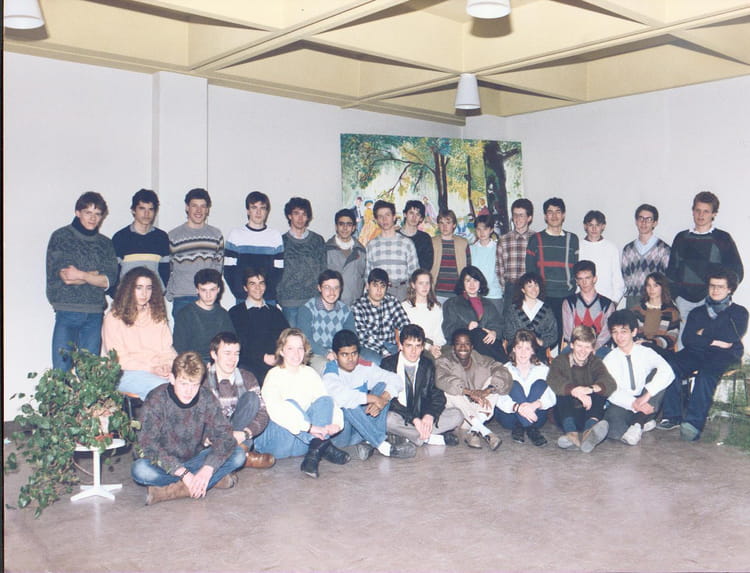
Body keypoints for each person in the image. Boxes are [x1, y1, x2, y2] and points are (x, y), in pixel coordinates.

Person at [131, 351, 245, 505]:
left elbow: (224, 436)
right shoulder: (156, 399)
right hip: (164, 463)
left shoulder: (206, 397)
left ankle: (173, 490)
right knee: (140, 470)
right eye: (183, 383)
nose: (189, 391)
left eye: (194, 385)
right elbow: (148, 445)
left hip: (194, 459)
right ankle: (210, 482)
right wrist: (184, 473)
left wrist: (207, 469)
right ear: (172, 379)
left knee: (238, 455)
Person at [658, 269, 748, 441]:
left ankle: (693, 424)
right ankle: (672, 416)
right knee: (670, 365)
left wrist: (703, 333)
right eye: (712, 286)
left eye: (720, 287)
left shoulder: (739, 312)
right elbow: (688, 339)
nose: (715, 290)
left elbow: (730, 337)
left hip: (725, 354)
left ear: (730, 289)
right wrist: (713, 340)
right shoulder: (697, 312)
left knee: (706, 375)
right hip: (696, 352)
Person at [253, 329, 349, 479]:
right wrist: (309, 428)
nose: (296, 353)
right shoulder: (274, 375)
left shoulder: (309, 373)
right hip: (277, 444)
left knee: (325, 400)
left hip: (301, 445)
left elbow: (326, 399)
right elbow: (276, 411)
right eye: (290, 348)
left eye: (300, 348)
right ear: (282, 351)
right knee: (290, 404)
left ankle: (314, 452)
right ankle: (322, 445)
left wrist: (336, 423)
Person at [46, 191, 118, 371]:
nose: (93, 218)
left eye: (97, 214)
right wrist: (95, 275)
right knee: (61, 371)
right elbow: (67, 277)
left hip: (94, 313)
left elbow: (109, 281)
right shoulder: (61, 237)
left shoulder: (105, 244)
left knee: (89, 373)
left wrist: (81, 274)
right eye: (88, 212)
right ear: (77, 212)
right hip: (67, 310)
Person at [323, 330, 416, 460]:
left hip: (362, 430)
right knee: (348, 403)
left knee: (383, 386)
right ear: (335, 355)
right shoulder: (330, 371)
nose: (350, 359)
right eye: (344, 354)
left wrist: (383, 398)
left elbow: (396, 379)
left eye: (354, 353)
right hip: (341, 435)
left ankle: (369, 443)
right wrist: (373, 398)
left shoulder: (363, 366)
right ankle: (383, 446)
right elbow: (341, 397)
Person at [666, 191, 743, 348]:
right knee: (684, 343)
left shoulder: (722, 238)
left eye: (706, 211)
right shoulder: (681, 238)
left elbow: (736, 271)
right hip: (684, 301)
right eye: (698, 210)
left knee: (709, 343)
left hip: (711, 301)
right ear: (693, 211)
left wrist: (720, 293)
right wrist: (677, 296)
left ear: (714, 214)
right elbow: (672, 270)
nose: (701, 215)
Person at [102, 267, 177, 400]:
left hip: (157, 370)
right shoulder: (114, 318)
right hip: (125, 373)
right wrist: (151, 368)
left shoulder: (157, 314)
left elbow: (167, 349)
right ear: (128, 289)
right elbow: (118, 359)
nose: (144, 293)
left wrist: (168, 365)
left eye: (149, 288)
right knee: (163, 389)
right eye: (139, 288)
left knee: (186, 384)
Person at [380, 325, 462, 446]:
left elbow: (438, 395)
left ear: (422, 347)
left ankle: (409, 436)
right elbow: (388, 400)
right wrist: (413, 419)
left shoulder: (427, 365)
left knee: (457, 415)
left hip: (421, 415)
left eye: (418, 346)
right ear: (401, 346)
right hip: (401, 415)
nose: (414, 351)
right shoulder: (388, 364)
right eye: (409, 346)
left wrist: (430, 415)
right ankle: (429, 438)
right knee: (387, 419)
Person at [602, 310, 674, 445]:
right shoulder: (609, 359)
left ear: (634, 332)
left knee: (658, 376)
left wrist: (646, 395)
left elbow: (668, 371)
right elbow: (610, 390)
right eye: (615, 332)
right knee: (614, 432)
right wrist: (633, 403)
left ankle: (637, 424)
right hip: (625, 402)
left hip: (647, 399)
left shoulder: (645, 352)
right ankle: (643, 422)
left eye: (623, 331)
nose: (619, 337)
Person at [205, 332, 275, 469]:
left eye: (236, 354)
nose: (232, 359)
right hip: (215, 437)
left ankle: (232, 458)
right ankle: (242, 457)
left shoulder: (247, 377)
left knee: (252, 399)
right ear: (214, 354)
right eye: (227, 353)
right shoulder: (203, 380)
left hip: (240, 432)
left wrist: (245, 434)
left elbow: (263, 413)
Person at [435, 329, 511, 451]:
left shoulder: (483, 360)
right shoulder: (444, 361)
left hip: (477, 412)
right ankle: (485, 432)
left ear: (472, 346)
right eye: (458, 344)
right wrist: (470, 393)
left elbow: (503, 372)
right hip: (459, 416)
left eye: (467, 344)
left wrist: (486, 391)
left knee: (496, 383)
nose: (463, 347)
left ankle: (474, 430)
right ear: (453, 347)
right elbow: (442, 379)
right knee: (449, 389)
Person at [547, 325, 616, 453]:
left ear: (592, 349)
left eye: (587, 347)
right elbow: (553, 379)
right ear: (571, 345)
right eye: (579, 346)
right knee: (563, 390)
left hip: (588, 414)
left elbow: (610, 383)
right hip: (564, 414)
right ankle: (571, 434)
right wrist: (576, 391)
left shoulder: (595, 362)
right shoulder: (560, 361)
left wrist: (589, 389)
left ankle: (589, 432)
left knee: (601, 389)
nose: (583, 351)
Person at [525, 197, 579, 344]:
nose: (554, 216)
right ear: (545, 216)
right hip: (543, 297)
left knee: (565, 336)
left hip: (567, 296)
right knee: (541, 338)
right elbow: (530, 272)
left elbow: (576, 268)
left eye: (558, 212)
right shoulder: (535, 239)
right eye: (550, 212)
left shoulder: (572, 239)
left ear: (563, 215)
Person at [166, 188, 224, 319]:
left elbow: (218, 268)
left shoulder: (216, 235)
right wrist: (171, 293)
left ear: (207, 210)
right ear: (187, 207)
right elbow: (168, 268)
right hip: (183, 298)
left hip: (209, 298)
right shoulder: (173, 236)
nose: (199, 210)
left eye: (203, 206)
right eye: (194, 206)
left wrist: (212, 293)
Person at [495, 329, 556, 447]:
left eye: (527, 348)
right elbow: (498, 398)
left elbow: (552, 396)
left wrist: (534, 405)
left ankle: (522, 426)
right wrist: (518, 408)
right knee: (514, 385)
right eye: (519, 348)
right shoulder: (505, 369)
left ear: (533, 350)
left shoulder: (543, 369)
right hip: (511, 417)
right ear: (513, 349)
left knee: (540, 383)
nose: (523, 353)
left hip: (535, 414)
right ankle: (530, 429)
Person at [228, 266, 289, 384]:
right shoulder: (235, 313)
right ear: (245, 287)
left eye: (261, 283)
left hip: (276, 361)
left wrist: (278, 356)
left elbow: (286, 337)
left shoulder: (275, 312)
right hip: (249, 364)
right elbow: (239, 344)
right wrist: (263, 356)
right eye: (252, 284)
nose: (258, 288)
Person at [224, 191, 284, 305]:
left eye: (262, 208)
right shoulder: (235, 235)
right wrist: (241, 294)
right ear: (248, 210)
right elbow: (228, 270)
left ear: (267, 211)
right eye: (254, 207)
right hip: (243, 299)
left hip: (268, 299)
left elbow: (279, 271)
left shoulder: (275, 236)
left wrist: (267, 294)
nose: (258, 212)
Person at [277, 197, 327, 327]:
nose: (300, 218)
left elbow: (324, 270)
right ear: (289, 216)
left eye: (304, 214)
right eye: (296, 213)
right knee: (292, 338)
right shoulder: (281, 242)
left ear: (308, 217)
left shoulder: (317, 240)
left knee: (312, 338)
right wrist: (280, 297)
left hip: (313, 301)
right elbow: (275, 273)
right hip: (289, 302)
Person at [442, 266, 507, 363]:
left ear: (480, 283)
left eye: (475, 280)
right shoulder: (452, 304)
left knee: (483, 335)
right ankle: (506, 364)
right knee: (477, 332)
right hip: (464, 346)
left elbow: (499, 324)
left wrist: (494, 332)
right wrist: (466, 327)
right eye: (468, 280)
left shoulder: (489, 304)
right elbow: (448, 330)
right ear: (462, 283)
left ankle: (504, 364)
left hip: (488, 346)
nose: (472, 284)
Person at [111, 188, 170, 290]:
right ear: (133, 210)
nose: (146, 214)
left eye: (150, 209)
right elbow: (114, 272)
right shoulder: (120, 237)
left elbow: (165, 271)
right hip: (127, 296)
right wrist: (118, 294)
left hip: (153, 296)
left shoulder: (161, 237)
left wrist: (159, 291)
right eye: (142, 209)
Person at [298, 269, 356, 372]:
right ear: (319, 288)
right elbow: (306, 340)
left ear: (341, 289)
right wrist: (326, 353)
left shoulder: (346, 311)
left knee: (363, 367)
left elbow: (350, 338)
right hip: (314, 354)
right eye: (327, 287)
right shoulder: (307, 309)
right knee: (329, 368)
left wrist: (342, 354)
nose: (332, 292)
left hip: (340, 353)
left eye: (336, 288)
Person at [173, 268, 235, 362]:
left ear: (218, 289)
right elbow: (180, 350)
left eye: (212, 290)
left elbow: (230, 344)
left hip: (218, 361)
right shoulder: (185, 314)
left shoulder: (223, 314)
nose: (208, 295)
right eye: (203, 290)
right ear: (197, 290)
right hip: (193, 363)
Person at [351, 268, 411, 365]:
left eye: (382, 286)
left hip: (391, 345)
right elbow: (363, 337)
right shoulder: (358, 306)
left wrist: (404, 341)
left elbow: (405, 324)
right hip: (368, 347)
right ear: (367, 286)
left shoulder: (392, 301)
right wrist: (384, 352)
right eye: (375, 285)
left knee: (407, 360)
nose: (379, 290)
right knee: (381, 363)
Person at [365, 200, 419, 301]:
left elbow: (415, 273)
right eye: (380, 216)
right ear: (376, 220)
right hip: (379, 293)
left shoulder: (407, 243)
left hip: (403, 293)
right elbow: (367, 275)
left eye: (387, 215)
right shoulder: (371, 245)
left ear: (394, 217)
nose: (384, 219)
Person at [621, 204, 671, 309]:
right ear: (636, 221)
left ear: (655, 223)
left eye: (648, 219)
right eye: (641, 218)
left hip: (655, 300)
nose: (644, 222)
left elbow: (667, 278)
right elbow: (625, 277)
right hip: (633, 300)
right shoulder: (628, 249)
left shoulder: (664, 249)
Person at [561, 260, 615, 355]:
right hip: (576, 347)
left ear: (594, 279)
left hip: (599, 347)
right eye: (580, 279)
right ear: (576, 281)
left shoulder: (607, 304)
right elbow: (568, 333)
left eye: (588, 278)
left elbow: (607, 332)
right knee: (563, 360)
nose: (584, 282)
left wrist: (593, 347)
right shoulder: (569, 302)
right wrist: (581, 348)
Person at [502, 271, 558, 362]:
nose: (534, 289)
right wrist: (522, 342)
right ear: (523, 289)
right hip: (518, 349)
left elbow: (553, 334)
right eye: (529, 286)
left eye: (536, 285)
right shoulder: (513, 309)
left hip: (538, 350)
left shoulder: (546, 310)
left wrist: (542, 342)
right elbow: (507, 332)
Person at [578, 210, 624, 306]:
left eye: (597, 225)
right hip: (581, 301)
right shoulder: (578, 247)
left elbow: (617, 279)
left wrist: (614, 302)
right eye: (591, 225)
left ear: (603, 226)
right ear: (585, 226)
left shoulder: (611, 248)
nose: (594, 229)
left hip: (606, 301)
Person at [629, 271, 680, 358]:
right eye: (648, 285)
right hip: (639, 349)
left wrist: (651, 343)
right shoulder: (636, 310)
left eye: (655, 285)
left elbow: (671, 338)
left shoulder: (672, 312)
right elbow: (630, 332)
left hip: (661, 352)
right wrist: (641, 343)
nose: (651, 289)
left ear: (662, 287)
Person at [497, 198, 535, 313]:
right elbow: (500, 268)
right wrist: (505, 288)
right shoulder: (504, 239)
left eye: (521, 215)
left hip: (531, 287)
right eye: (515, 215)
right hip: (511, 287)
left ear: (529, 218)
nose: (517, 219)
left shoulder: (536, 239)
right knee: (510, 319)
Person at [325, 208, 367, 306]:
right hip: (332, 304)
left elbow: (363, 278)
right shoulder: (326, 249)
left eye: (349, 224)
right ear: (336, 227)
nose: (345, 228)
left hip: (355, 305)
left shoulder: (361, 250)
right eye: (341, 224)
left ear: (354, 227)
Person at [402, 269, 446, 359]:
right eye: (421, 283)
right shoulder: (405, 307)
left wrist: (436, 348)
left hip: (434, 346)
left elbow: (439, 334)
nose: (425, 287)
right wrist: (428, 347)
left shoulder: (436, 307)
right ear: (413, 285)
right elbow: (406, 336)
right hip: (414, 347)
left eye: (427, 283)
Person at [431, 209, 471, 301]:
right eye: (441, 223)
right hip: (436, 293)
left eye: (448, 223)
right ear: (438, 225)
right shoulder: (431, 242)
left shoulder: (463, 243)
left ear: (454, 225)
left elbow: (468, 269)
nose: (444, 226)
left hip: (458, 294)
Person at [470, 214, 503, 316]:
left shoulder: (498, 248)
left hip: (494, 294)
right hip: (475, 295)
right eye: (478, 229)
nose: (482, 232)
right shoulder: (471, 249)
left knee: (495, 323)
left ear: (491, 229)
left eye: (485, 229)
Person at [399, 199, 434, 272]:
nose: (414, 217)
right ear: (405, 214)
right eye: (411, 213)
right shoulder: (395, 235)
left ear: (421, 219)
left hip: (417, 277)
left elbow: (427, 264)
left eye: (417, 214)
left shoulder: (425, 238)